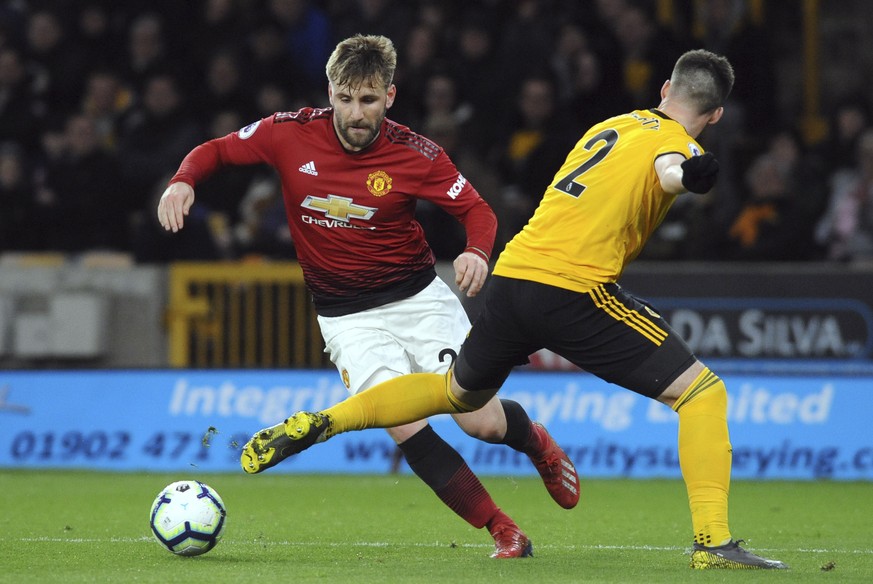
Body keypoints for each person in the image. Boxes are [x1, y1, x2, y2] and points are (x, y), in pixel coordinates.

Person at [250, 49, 789, 571]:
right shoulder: (675, 143)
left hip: (512, 278)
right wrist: (688, 176)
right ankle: (712, 543)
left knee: (457, 396)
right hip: (572, 289)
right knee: (702, 392)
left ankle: (325, 420)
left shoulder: (616, 125)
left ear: (665, 89)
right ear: (715, 114)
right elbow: (670, 168)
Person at [157, 34, 579, 559]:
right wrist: (182, 181)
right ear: (329, 92)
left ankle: (534, 440)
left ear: (391, 97)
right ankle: (503, 530)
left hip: (419, 301)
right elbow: (217, 150)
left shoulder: (415, 153)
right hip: (345, 316)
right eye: (346, 98)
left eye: (370, 100)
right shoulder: (288, 133)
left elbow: (478, 211)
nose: (357, 114)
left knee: (481, 421)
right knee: (400, 422)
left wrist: (476, 251)